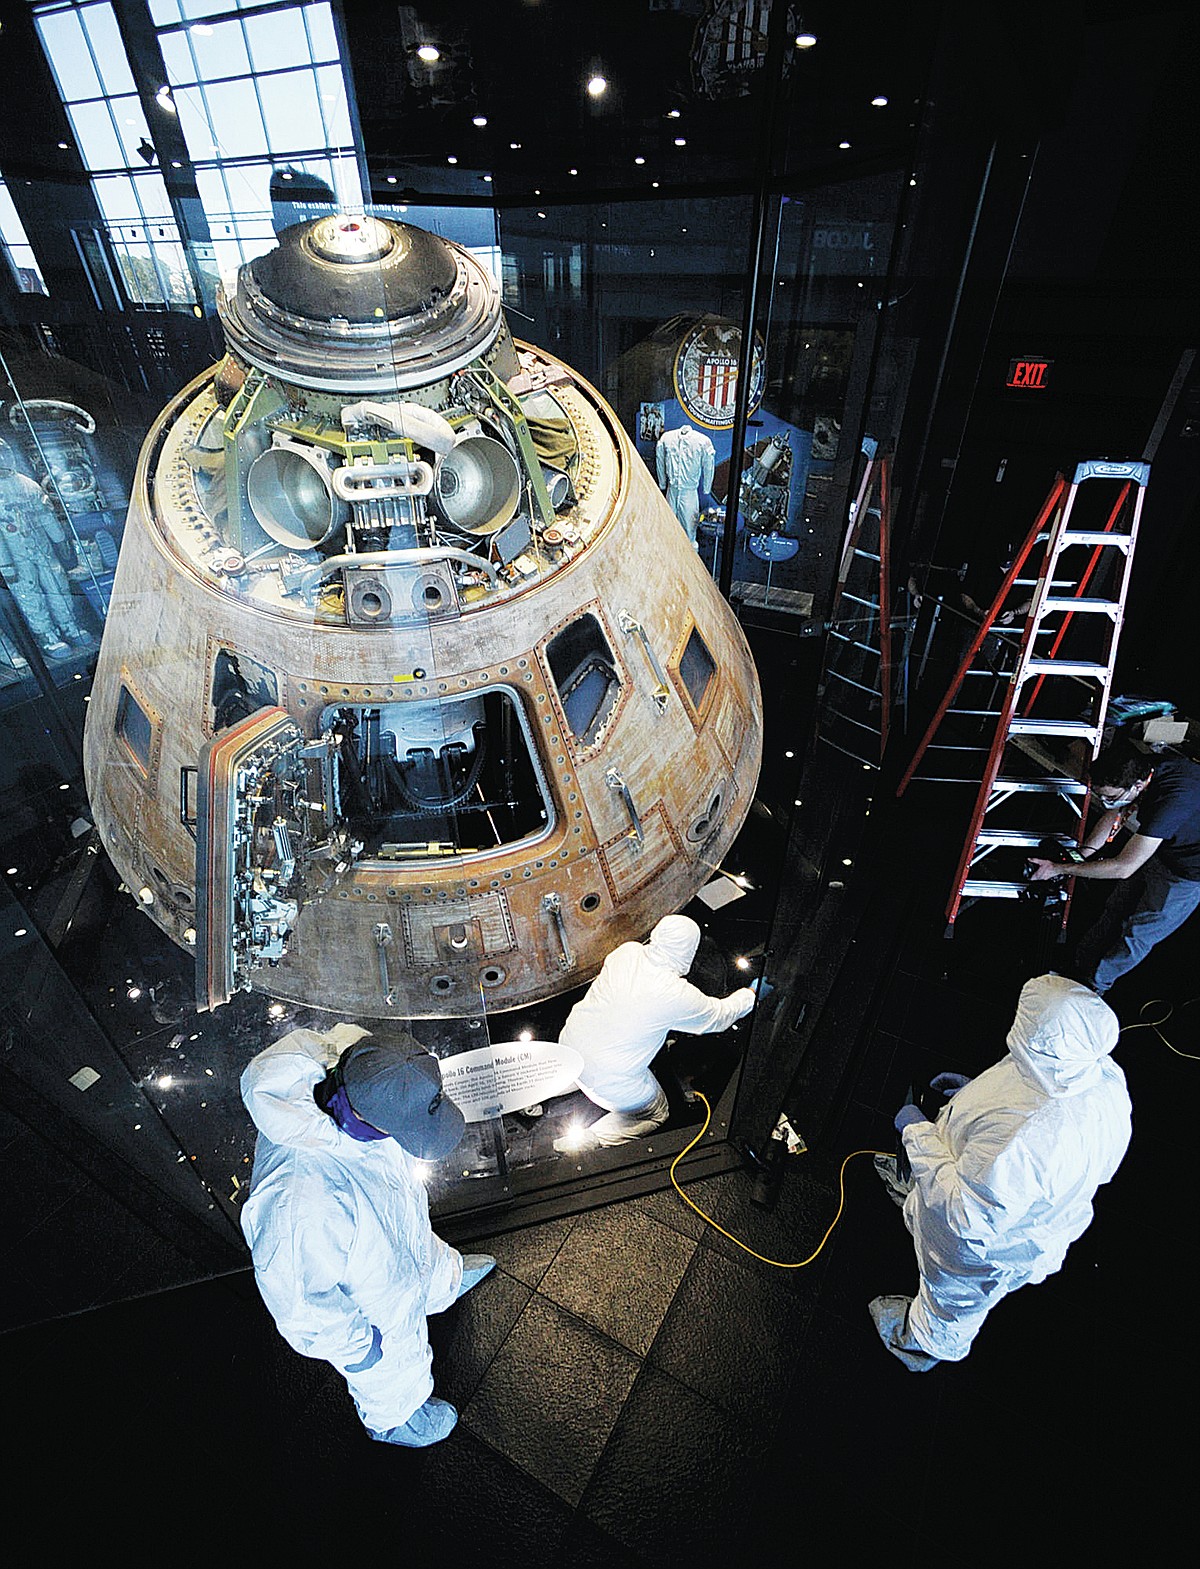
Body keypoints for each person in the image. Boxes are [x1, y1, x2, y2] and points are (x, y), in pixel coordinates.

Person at [240, 1022, 495, 1447]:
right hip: (373, 1302)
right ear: (366, 1120)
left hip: (390, 1226)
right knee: (392, 1357)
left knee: (412, 1241)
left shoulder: (365, 1064)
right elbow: (299, 1299)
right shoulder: (300, 1197)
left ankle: (439, 1283)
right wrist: (359, 1348)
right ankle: (393, 1416)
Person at [869, 974, 1131, 1371]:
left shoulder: (1027, 1137)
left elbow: (964, 1214)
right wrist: (977, 1095)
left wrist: (916, 1132)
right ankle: (917, 1198)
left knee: (950, 1302)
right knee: (934, 1207)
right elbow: (1026, 1100)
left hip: (978, 1249)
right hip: (1025, 1213)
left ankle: (923, 1344)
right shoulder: (1101, 1078)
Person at [552, 914, 757, 1153]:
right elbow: (720, 1016)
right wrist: (751, 995)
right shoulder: (676, 994)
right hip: (610, 1082)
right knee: (655, 1113)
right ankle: (589, 1140)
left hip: (569, 1044)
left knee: (588, 1061)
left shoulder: (626, 952)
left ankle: (543, 1091)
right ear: (689, 951)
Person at [1028, 740, 1200, 994]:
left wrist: (1058, 869)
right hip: (1162, 851)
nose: (1104, 801)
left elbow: (1123, 867)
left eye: (1109, 796)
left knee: (1138, 933)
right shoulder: (1143, 769)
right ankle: (1077, 966)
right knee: (1115, 908)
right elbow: (1114, 814)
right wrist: (1079, 857)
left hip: (1187, 873)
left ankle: (1092, 987)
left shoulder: (1171, 802)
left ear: (1137, 786)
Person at [0, 439, 84, 656]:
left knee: (57, 585)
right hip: (15, 554)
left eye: (3, 452)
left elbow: (47, 515)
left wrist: (60, 541)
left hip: (43, 550)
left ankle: (69, 624)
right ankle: (47, 634)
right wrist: (6, 564)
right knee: (29, 592)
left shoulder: (27, 484)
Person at [655, 424, 716, 544]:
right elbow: (660, 461)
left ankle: (690, 559)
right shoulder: (667, 438)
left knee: (690, 529)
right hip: (671, 491)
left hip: (689, 494)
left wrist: (707, 488)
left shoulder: (702, 441)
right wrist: (662, 483)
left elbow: (709, 466)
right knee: (667, 527)